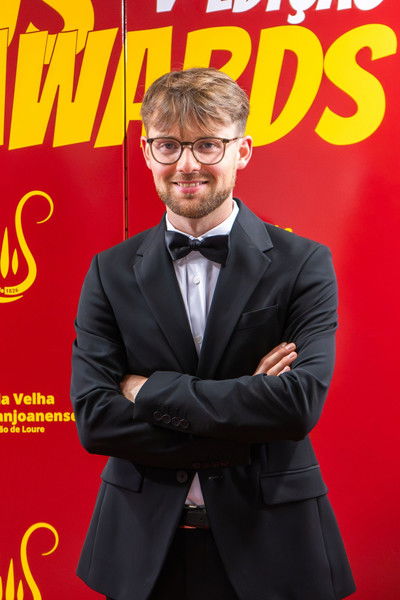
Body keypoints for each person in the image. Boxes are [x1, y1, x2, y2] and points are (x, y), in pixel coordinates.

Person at [71, 68, 355, 600]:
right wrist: (246, 410)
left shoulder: (304, 264)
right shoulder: (109, 271)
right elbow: (95, 420)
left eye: (207, 144)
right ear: (146, 151)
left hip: (275, 543)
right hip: (140, 551)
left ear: (242, 151)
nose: (187, 164)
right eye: (168, 145)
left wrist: (146, 390)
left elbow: (295, 407)